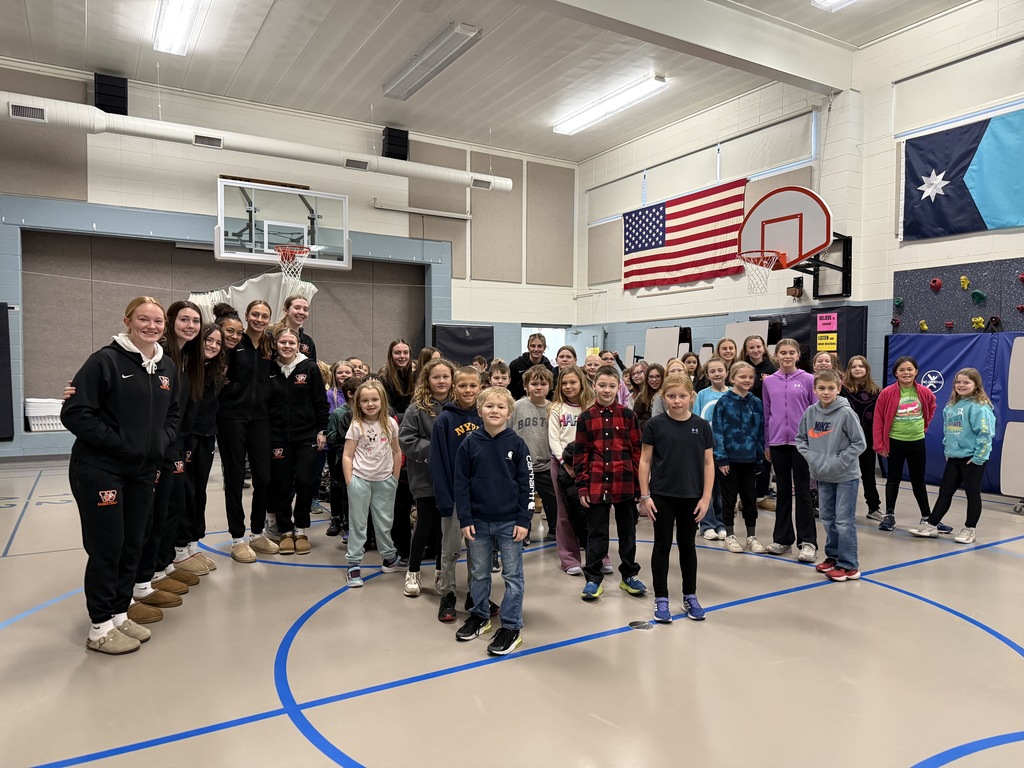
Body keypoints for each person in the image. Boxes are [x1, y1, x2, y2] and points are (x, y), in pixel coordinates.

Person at [62, 297, 180, 655]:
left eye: (157, 320)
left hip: (142, 471)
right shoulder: (105, 361)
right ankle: (99, 627)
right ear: (127, 321)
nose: (151, 325)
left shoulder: (166, 367)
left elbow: (174, 414)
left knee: (134, 541)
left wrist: (160, 441)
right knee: (107, 547)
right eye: (143, 319)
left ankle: (118, 612)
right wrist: (120, 443)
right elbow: (75, 413)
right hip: (101, 469)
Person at [453, 387, 533, 655]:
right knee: (478, 572)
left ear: (509, 412)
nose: (495, 411)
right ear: (480, 411)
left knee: (512, 575)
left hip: (511, 522)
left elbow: (527, 485)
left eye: (501, 407)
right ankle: (480, 615)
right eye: (489, 406)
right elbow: (461, 484)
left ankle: (511, 626)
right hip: (478, 522)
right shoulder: (469, 443)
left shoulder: (518, 444)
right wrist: (465, 517)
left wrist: (524, 519)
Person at [639, 375, 714, 623]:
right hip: (661, 496)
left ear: (691, 397)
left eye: (682, 396)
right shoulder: (655, 425)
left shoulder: (702, 426)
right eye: (671, 396)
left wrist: (705, 497)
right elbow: (645, 461)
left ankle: (690, 595)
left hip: (691, 497)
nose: (677, 401)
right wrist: (645, 495)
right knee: (661, 546)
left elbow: (708, 463)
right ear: (664, 398)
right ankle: (661, 598)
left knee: (687, 546)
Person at [573, 365, 645, 601]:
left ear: (618, 387)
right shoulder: (585, 418)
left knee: (628, 532)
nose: (606, 390)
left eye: (611, 386)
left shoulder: (628, 416)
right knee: (597, 534)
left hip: (624, 483)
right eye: (602, 385)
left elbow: (637, 452)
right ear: (594, 386)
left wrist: (639, 486)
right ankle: (593, 579)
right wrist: (582, 485)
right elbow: (580, 454)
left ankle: (629, 576)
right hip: (596, 483)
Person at [218, 299, 277, 563]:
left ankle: (256, 533)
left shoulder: (268, 345)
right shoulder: (233, 344)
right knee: (234, 476)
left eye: (264, 315)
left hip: (261, 418)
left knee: (264, 478)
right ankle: (237, 538)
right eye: (255, 314)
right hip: (231, 416)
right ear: (247, 316)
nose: (260, 319)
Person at [909, 368, 996, 544]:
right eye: (958, 382)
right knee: (945, 492)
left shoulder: (979, 407)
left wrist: (979, 456)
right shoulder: (951, 406)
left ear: (976, 385)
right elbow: (948, 432)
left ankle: (969, 529)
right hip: (954, 457)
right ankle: (931, 525)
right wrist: (948, 451)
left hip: (972, 458)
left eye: (966, 382)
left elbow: (985, 434)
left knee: (972, 494)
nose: (961, 385)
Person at [796, 369, 867, 582]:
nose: (826, 392)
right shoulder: (810, 412)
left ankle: (849, 565)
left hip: (845, 476)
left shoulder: (846, 413)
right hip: (822, 475)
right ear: (815, 389)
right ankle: (833, 557)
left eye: (831, 388)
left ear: (838, 388)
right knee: (827, 518)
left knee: (844, 521)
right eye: (822, 388)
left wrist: (838, 461)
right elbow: (801, 439)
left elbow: (859, 443)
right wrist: (814, 459)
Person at [430, 366, 486, 622]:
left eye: (473, 385)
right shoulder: (444, 420)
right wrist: (444, 499)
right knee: (451, 549)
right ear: (455, 387)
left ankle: (476, 594)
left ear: (480, 387)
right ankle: (448, 594)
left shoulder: (485, 416)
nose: (468, 390)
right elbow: (438, 462)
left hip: (480, 499)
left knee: (478, 550)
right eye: (463, 385)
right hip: (453, 498)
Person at [268, 327, 329, 555]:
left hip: (307, 436)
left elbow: (320, 402)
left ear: (298, 345)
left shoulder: (310, 367)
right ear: (276, 344)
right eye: (282, 342)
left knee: (305, 481)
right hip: (278, 436)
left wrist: (322, 430)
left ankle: (301, 528)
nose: (286, 346)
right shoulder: (270, 368)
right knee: (281, 484)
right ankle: (285, 530)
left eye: (291, 343)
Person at [400, 357, 456, 597]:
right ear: (427, 380)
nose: (441, 381)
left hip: (452, 478)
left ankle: (441, 571)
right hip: (424, 476)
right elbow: (407, 440)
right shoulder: (417, 408)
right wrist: (436, 450)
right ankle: (412, 572)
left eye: (445, 376)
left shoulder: (459, 406)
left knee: (445, 527)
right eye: (436, 377)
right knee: (424, 524)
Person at [342, 380, 404, 586]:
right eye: (365, 400)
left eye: (374, 399)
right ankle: (353, 564)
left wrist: (394, 477)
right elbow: (347, 455)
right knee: (358, 523)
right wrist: (350, 481)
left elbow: (396, 451)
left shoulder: (390, 423)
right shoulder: (356, 425)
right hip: (360, 480)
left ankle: (389, 556)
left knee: (384, 522)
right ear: (358, 403)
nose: (370, 404)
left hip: (384, 480)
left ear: (382, 401)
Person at [762, 339, 817, 562]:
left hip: (801, 444)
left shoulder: (808, 379)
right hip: (777, 444)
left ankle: (808, 543)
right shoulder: (769, 382)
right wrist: (767, 442)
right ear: (776, 356)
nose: (786, 356)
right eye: (782, 352)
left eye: (791, 352)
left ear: (797, 355)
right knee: (783, 492)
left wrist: (813, 441)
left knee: (803, 492)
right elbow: (767, 414)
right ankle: (783, 540)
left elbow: (815, 413)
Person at [177, 322, 225, 579]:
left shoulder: (216, 371)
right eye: (209, 340)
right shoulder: (184, 367)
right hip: (185, 439)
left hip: (206, 437)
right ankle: (178, 550)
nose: (213, 346)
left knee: (198, 492)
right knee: (183, 494)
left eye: (218, 342)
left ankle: (193, 545)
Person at [873, 355, 937, 532]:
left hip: (917, 442)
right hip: (895, 442)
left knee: (918, 480)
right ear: (896, 373)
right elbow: (878, 419)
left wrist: (923, 426)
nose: (906, 373)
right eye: (902, 370)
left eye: (910, 369)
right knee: (893, 479)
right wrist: (880, 444)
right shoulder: (887, 393)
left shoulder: (924, 392)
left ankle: (927, 516)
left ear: (916, 371)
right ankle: (889, 515)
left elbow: (931, 408)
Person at [547, 365, 598, 575]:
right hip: (562, 467)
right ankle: (569, 559)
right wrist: (565, 463)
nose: (568, 386)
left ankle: (599, 555)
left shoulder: (592, 407)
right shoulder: (556, 409)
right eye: (564, 383)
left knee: (596, 513)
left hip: (589, 466)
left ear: (581, 383)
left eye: (573, 382)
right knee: (565, 514)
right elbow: (554, 439)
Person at [712, 361, 765, 554]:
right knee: (728, 498)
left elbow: (760, 432)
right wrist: (721, 458)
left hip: (750, 459)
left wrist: (759, 457)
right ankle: (730, 534)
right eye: (742, 377)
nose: (747, 380)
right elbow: (717, 431)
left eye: (750, 377)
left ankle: (751, 536)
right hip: (730, 460)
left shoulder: (756, 402)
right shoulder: (724, 402)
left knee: (750, 499)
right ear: (732, 378)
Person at [511, 365, 558, 545]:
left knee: (552, 502)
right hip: (522, 467)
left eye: (543, 383)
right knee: (524, 503)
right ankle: (524, 534)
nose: (538, 387)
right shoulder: (516, 407)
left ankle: (554, 530)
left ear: (550, 386)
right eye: (534, 383)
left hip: (546, 465)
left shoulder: (554, 409)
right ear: (525, 386)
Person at [841, 355, 882, 521]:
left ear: (867, 369)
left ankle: (874, 507)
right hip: (846, 440)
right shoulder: (842, 390)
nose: (858, 369)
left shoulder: (875, 391)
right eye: (854, 366)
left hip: (868, 440)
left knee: (868, 474)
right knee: (844, 475)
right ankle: (842, 508)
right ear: (849, 370)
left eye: (861, 366)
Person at [693, 357, 730, 541]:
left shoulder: (731, 394)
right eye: (712, 371)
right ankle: (706, 524)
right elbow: (696, 419)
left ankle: (720, 523)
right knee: (706, 488)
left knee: (721, 491)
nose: (717, 374)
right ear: (707, 375)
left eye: (720, 370)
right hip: (706, 450)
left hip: (726, 450)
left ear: (726, 372)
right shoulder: (702, 395)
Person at [325, 376, 361, 539]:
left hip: (360, 458)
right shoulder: (339, 414)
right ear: (351, 394)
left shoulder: (363, 412)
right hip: (340, 456)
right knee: (341, 490)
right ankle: (341, 521)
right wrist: (346, 436)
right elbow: (331, 435)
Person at [508, 333, 555, 400]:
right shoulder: (515, 365)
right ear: (528, 347)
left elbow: (549, 391)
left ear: (544, 348)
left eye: (539, 346)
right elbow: (510, 388)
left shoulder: (549, 368)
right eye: (533, 346)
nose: (536, 349)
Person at [272, 295, 316, 362]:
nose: (301, 312)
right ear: (285, 310)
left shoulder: (308, 341)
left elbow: (312, 368)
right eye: (297, 308)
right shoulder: (271, 335)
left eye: (305, 309)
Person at [632, 363, 664, 432]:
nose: (654, 380)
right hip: (647, 433)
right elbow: (634, 419)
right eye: (651, 377)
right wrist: (648, 424)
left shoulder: (668, 395)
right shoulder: (641, 397)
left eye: (658, 376)